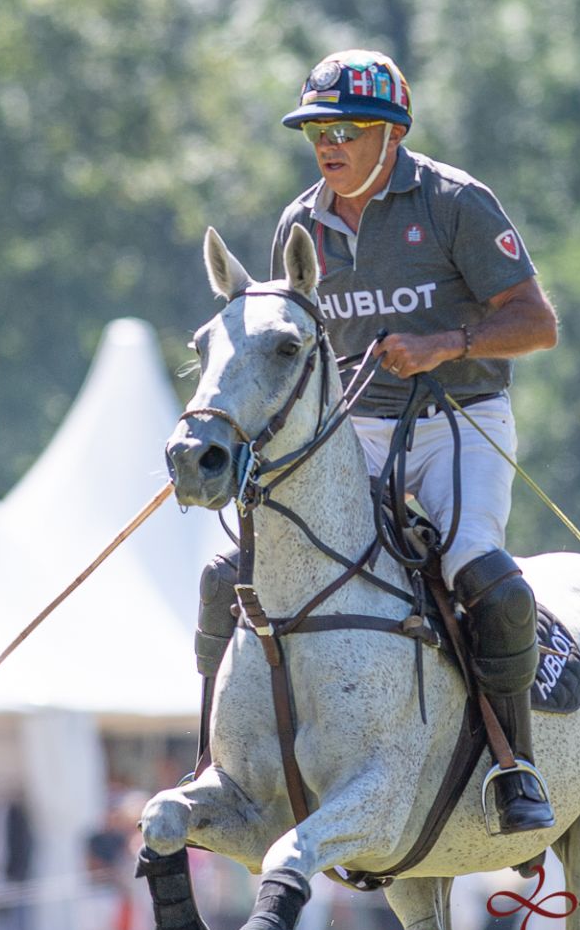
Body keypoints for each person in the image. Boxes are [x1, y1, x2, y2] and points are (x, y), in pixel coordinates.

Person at [217, 49, 561, 834]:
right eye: (317, 132)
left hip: (458, 420)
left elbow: (537, 323)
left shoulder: (454, 203)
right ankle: (225, 757)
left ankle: (514, 765)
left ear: (393, 133)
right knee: (236, 570)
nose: (328, 145)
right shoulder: (300, 224)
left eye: (347, 129)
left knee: (480, 572)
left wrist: (447, 343)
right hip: (352, 430)